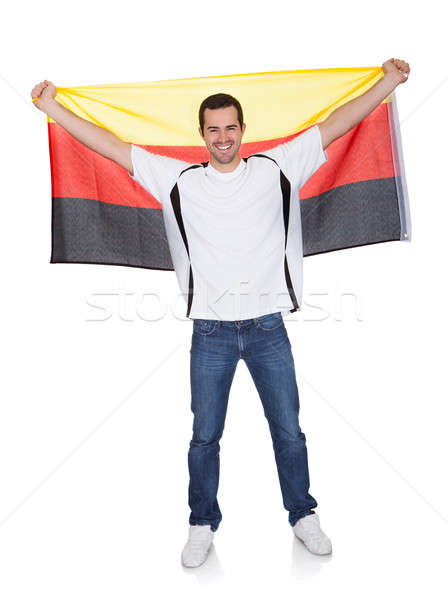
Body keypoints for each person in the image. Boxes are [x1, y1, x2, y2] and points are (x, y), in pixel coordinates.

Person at [31, 58, 410, 568]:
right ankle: (201, 523)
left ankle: (303, 516)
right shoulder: (177, 179)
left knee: (289, 431)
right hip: (209, 333)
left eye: (231, 128)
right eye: (214, 130)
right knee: (205, 435)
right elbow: (112, 147)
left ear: (243, 130)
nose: (224, 137)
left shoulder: (278, 166)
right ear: (203, 135)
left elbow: (337, 123)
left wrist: (387, 82)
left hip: (268, 329)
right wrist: (52, 106)